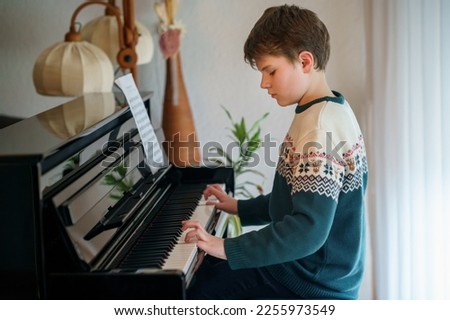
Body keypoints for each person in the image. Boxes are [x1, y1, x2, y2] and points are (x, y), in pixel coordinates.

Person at [182, 4, 368, 299]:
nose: (263, 83)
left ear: (305, 61)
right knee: (208, 274)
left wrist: (226, 247)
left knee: (197, 290)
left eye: (270, 70)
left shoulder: (318, 130)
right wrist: (239, 208)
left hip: (307, 283)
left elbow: (306, 229)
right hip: (315, 272)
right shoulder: (331, 110)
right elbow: (296, 202)